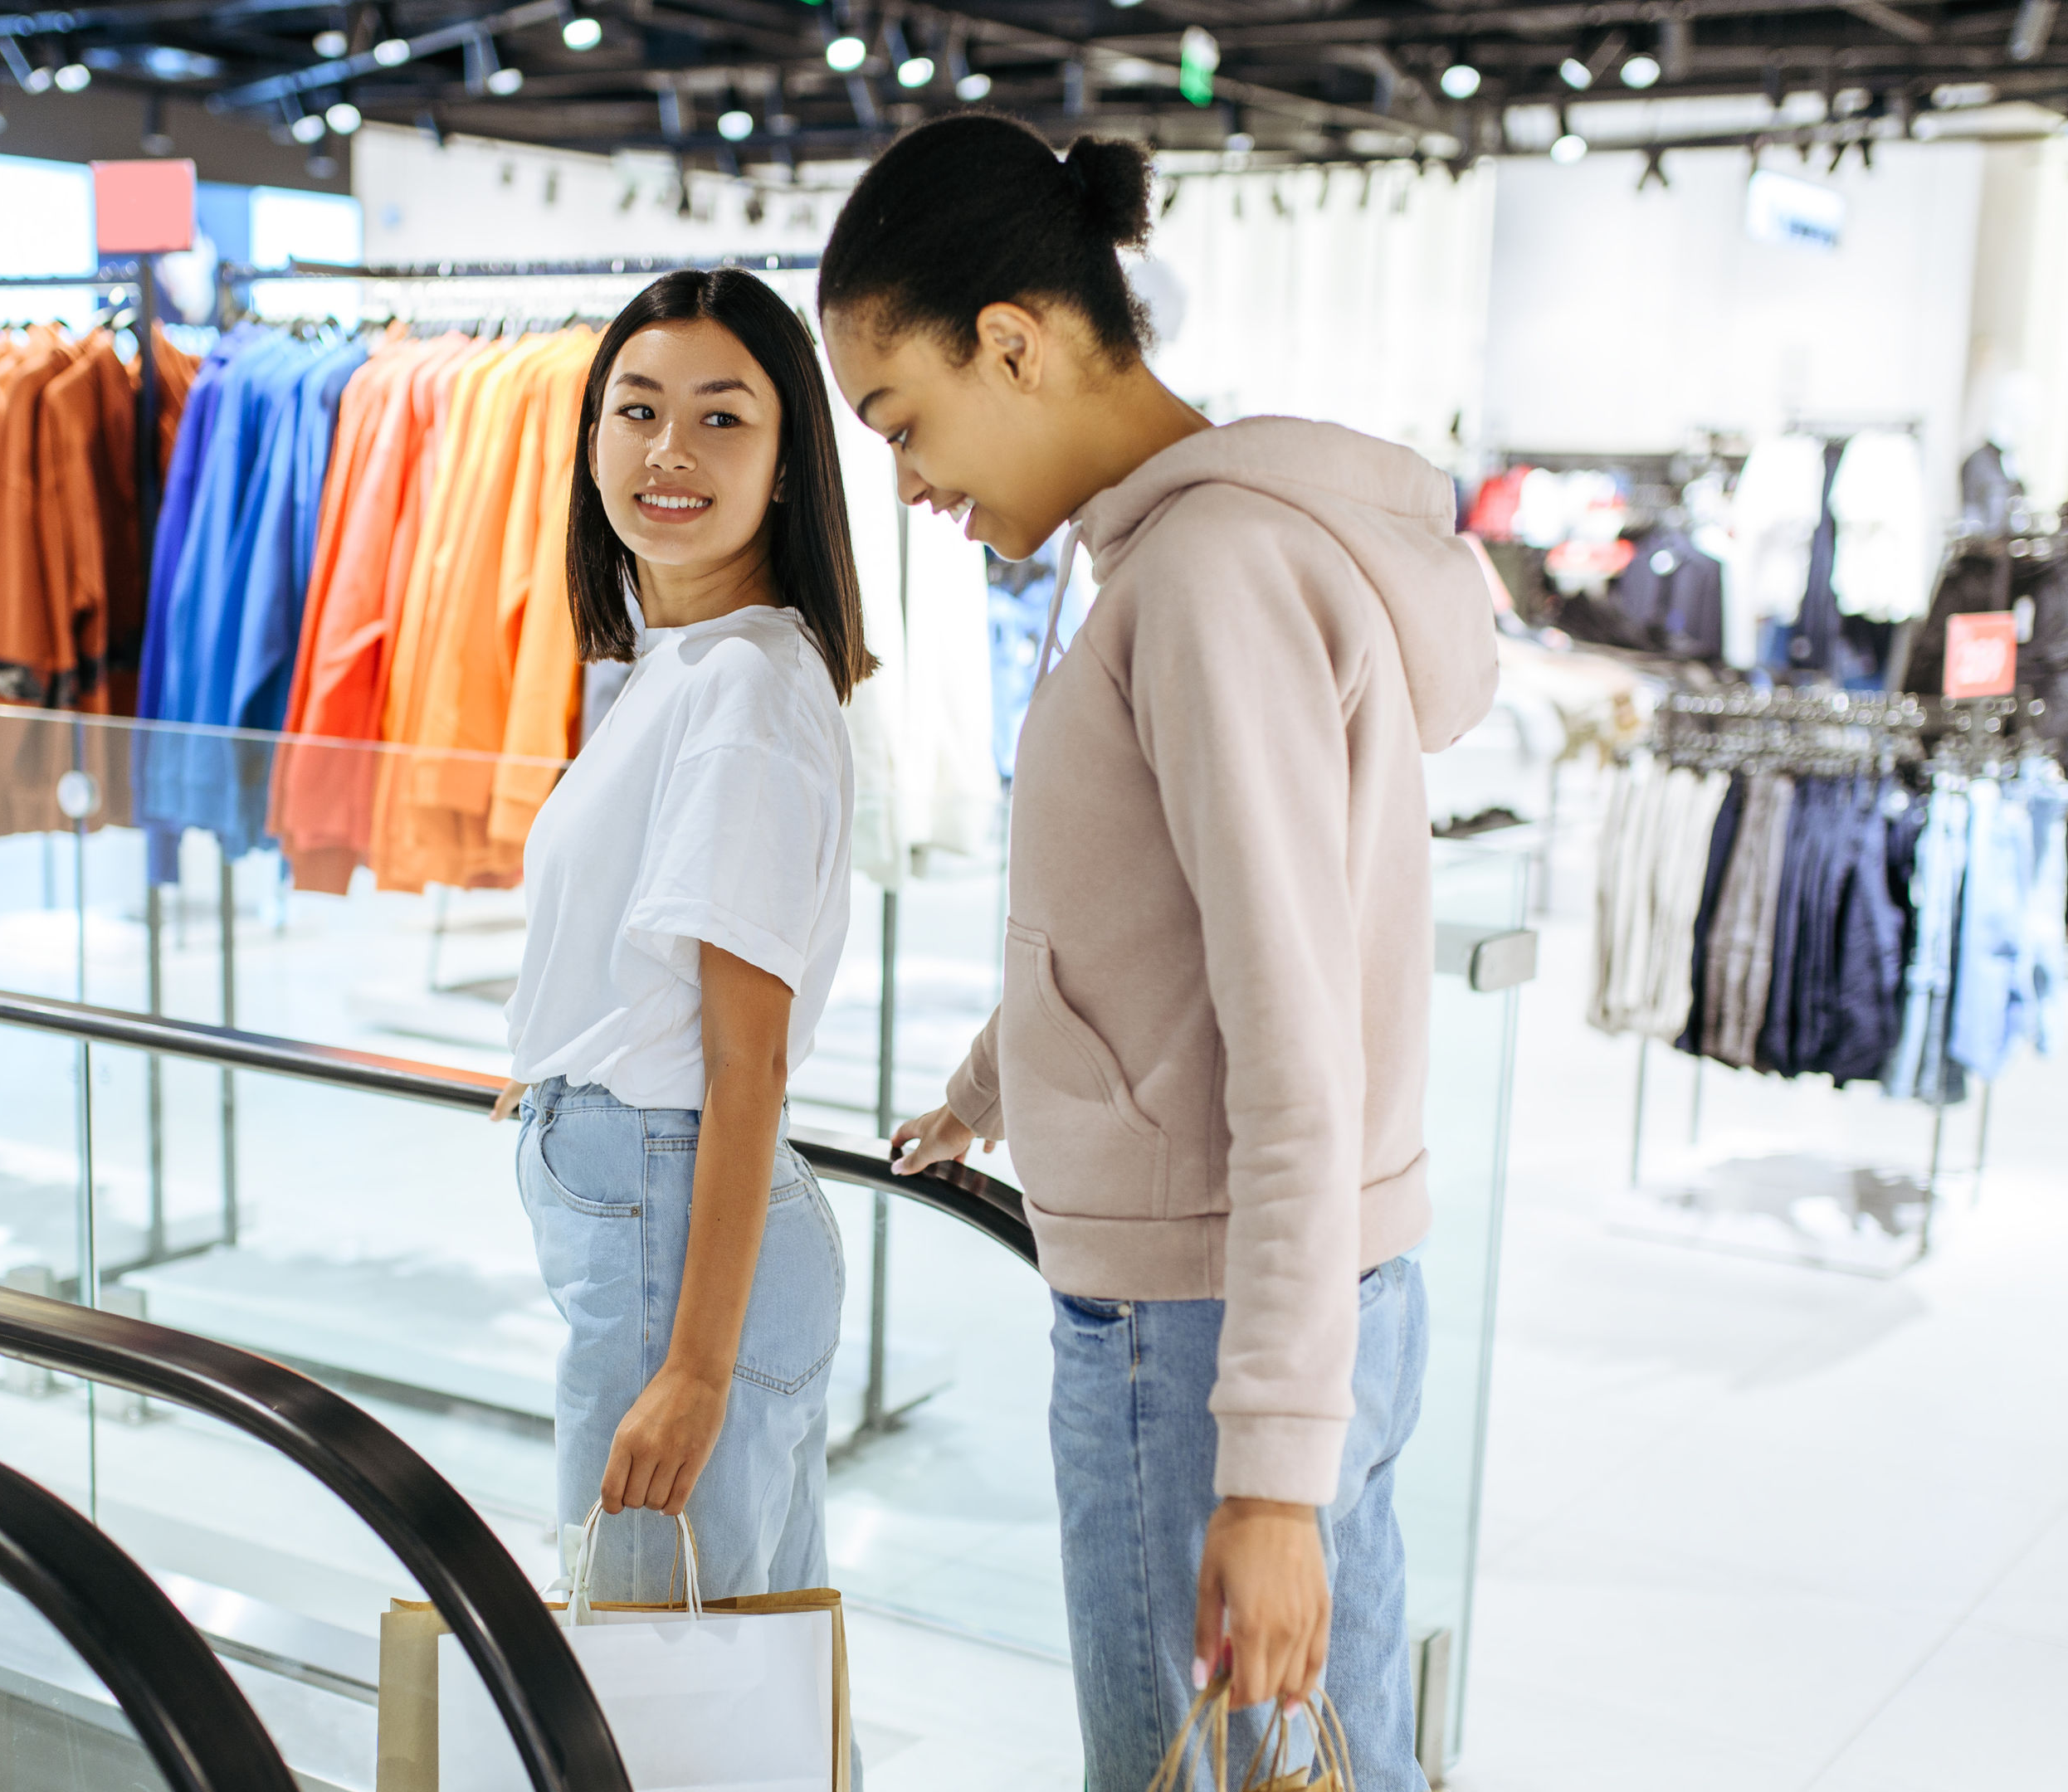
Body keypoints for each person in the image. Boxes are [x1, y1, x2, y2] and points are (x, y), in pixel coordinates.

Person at [822, 115, 1498, 1785]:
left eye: (902, 420)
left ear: (1013, 344)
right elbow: (1153, 925)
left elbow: (1293, 1038)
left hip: (1206, 1324)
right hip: (1262, 1299)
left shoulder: (1206, 577)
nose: (909, 482)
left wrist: (1267, 1473)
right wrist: (997, 1084)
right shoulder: (1171, 557)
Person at [495, 269, 874, 1605]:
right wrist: (561, 1056)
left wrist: (698, 1367)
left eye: (722, 418)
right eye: (637, 409)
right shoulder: (693, 664)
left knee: (651, 1665)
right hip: (652, 1199)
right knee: (728, 1659)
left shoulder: (744, 688)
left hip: (672, 1225)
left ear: (787, 464)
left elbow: (745, 1058)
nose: (668, 450)